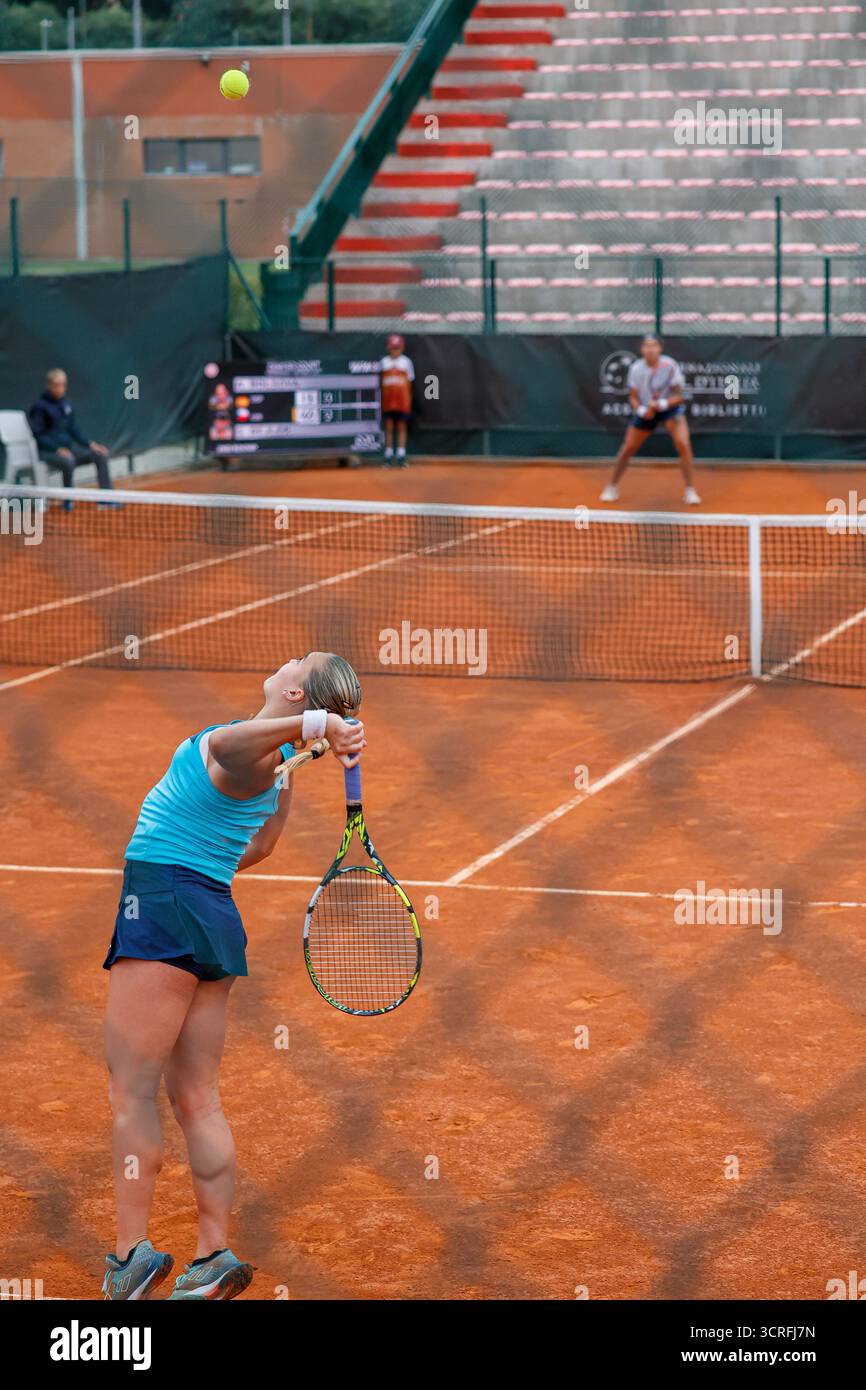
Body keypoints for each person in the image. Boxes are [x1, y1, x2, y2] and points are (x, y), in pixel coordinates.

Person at [101, 652, 365, 1301]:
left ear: (299, 688)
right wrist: (309, 739)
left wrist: (307, 727)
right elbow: (261, 848)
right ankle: (212, 1254)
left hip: (162, 905)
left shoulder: (248, 753)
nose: (285, 660)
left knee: (130, 1092)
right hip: (214, 912)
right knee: (199, 1100)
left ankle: (129, 1254)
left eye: (298, 662)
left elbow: (224, 743)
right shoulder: (277, 770)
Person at [600, 336, 701, 505]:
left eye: (654, 345)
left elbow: (679, 396)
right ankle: (612, 487)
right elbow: (632, 397)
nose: (650, 349)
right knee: (627, 449)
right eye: (647, 345)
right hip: (646, 410)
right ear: (642, 349)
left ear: (660, 348)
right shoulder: (636, 369)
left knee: (683, 444)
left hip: (669, 409)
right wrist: (641, 410)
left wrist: (662, 403)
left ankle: (690, 490)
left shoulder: (669, 365)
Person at [28, 368, 113, 492]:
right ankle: (68, 498)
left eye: (63, 385)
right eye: (56, 385)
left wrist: (91, 444)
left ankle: (107, 499)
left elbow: (73, 429)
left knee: (100, 455)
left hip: (69, 450)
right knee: (69, 461)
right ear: (49, 385)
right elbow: (38, 435)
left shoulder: (66, 404)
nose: (60, 388)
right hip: (47, 453)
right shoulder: (40, 407)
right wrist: (57, 449)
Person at [380, 333, 414, 466]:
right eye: (393, 348)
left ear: (402, 348)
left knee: (401, 427)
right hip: (388, 402)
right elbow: (382, 382)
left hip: (402, 402)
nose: (395, 351)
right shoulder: (384, 362)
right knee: (388, 427)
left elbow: (410, 382)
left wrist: (408, 400)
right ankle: (388, 455)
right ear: (388, 347)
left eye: (397, 348)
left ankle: (401, 455)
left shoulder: (406, 362)